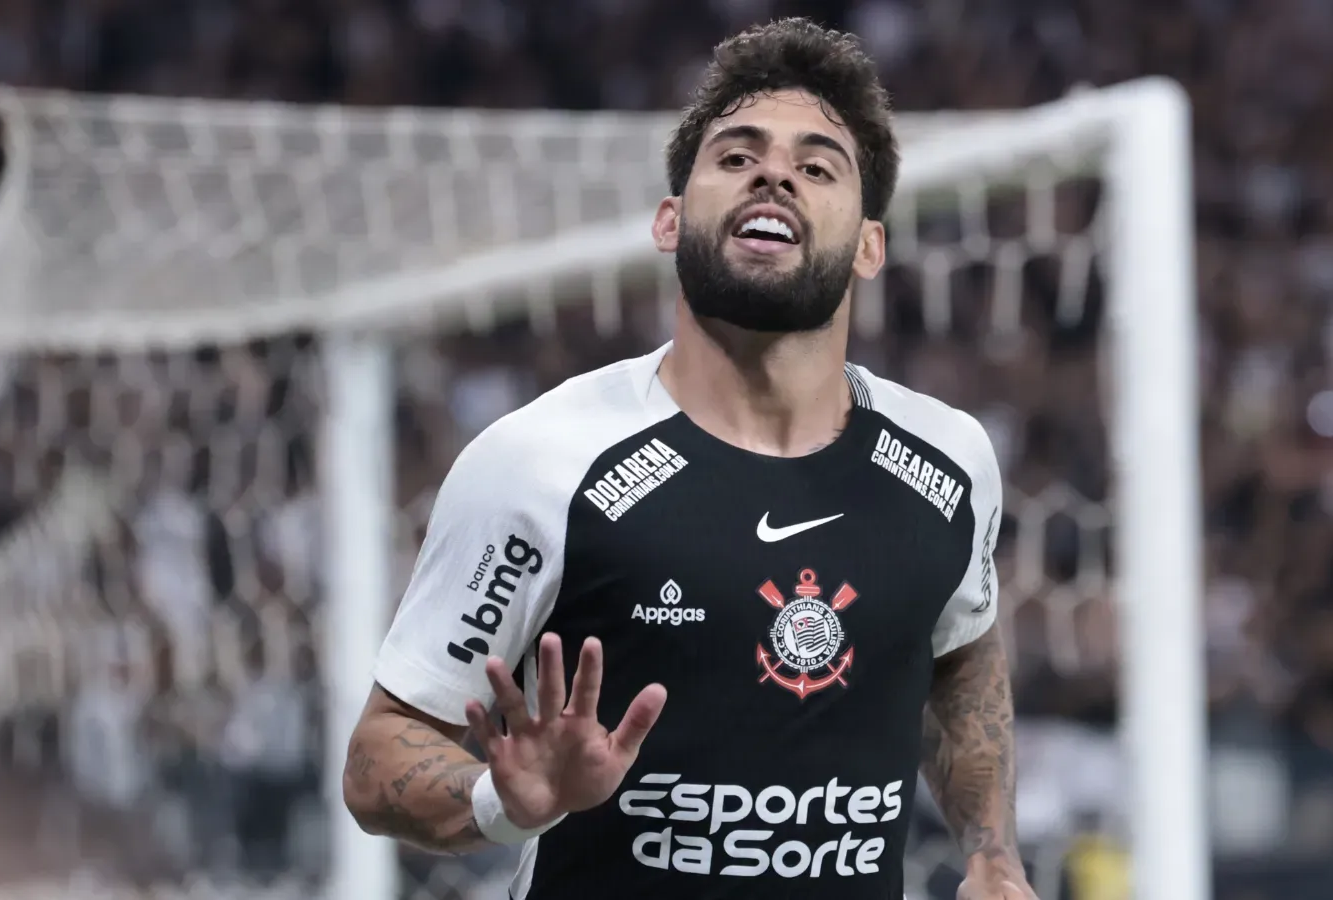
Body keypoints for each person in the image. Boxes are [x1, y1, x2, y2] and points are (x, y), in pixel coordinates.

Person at [343, 18, 1034, 900]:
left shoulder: (947, 462)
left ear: (870, 246)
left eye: (817, 167)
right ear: (670, 221)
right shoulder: (540, 464)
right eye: (736, 157)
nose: (773, 175)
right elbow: (377, 757)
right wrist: (501, 802)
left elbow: (961, 652)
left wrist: (991, 851)